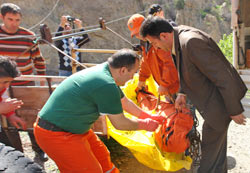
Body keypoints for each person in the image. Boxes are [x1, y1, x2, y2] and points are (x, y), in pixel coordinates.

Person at [140, 16, 247, 173]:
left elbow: (222, 76)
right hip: (211, 103)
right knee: (215, 149)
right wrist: (182, 94)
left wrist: (234, 109)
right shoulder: (176, 39)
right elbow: (185, 70)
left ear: (163, 35)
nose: (155, 48)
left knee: (211, 151)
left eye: (154, 43)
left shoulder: (191, 42)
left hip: (219, 102)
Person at [34, 49, 166, 173]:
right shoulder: (105, 83)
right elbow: (120, 124)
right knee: (90, 170)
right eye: (133, 73)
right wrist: (145, 125)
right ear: (123, 70)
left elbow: (124, 102)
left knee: (103, 159)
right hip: (56, 134)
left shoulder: (105, 73)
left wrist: (149, 116)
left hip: (75, 130)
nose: (132, 78)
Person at [0, 3, 47, 161]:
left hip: (25, 84)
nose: (14, 23)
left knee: (32, 116)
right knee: (7, 123)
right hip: (2, 85)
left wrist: (41, 82)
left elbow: (39, 61)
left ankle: (39, 149)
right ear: (2, 17)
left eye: (17, 20)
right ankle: (17, 153)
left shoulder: (28, 36)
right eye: (10, 19)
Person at [128, 14, 179, 101]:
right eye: (135, 35)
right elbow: (146, 61)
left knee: (186, 112)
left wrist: (164, 85)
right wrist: (142, 79)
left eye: (138, 33)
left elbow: (170, 63)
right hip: (168, 89)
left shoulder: (158, 41)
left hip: (177, 86)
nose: (138, 36)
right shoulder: (145, 43)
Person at [0, 56, 27, 146]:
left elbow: (3, 99)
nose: (6, 86)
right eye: (3, 82)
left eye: (8, 82)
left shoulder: (2, 88)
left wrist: (10, 114)